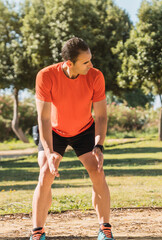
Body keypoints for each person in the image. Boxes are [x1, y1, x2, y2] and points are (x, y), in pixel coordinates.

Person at [30, 37, 114, 240]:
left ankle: (105, 229)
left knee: (97, 170)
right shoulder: (46, 76)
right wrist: (49, 152)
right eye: (85, 62)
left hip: (84, 130)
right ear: (69, 63)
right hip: (54, 131)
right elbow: (43, 117)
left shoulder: (95, 76)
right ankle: (37, 232)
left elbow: (101, 116)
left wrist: (99, 145)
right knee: (45, 173)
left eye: (91, 59)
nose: (91, 65)